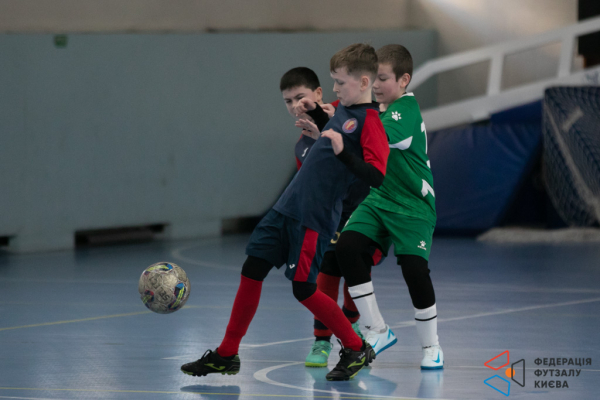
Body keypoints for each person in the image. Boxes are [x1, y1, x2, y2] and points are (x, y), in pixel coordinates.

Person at [181, 43, 389, 381]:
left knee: (303, 289)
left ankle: (355, 346)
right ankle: (227, 354)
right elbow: (333, 133)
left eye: (340, 82)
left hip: (314, 216)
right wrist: (317, 115)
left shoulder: (371, 122)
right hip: (286, 207)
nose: (335, 88)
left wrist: (343, 154)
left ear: (364, 82)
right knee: (252, 269)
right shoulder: (342, 110)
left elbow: (376, 176)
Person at [336, 44, 444, 369]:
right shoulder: (376, 109)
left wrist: (339, 125)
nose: (376, 85)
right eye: (373, 79)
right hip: (379, 199)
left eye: (383, 78)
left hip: (413, 205)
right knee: (347, 247)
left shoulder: (404, 110)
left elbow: (376, 137)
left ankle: (432, 347)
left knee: (414, 270)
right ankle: (376, 329)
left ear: (403, 80)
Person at [283, 68, 385, 368]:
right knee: (325, 272)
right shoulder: (302, 145)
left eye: (300, 97)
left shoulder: (350, 115)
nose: (295, 105)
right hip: (329, 214)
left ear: (318, 94)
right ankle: (322, 340)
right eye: (288, 101)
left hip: (362, 208)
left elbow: (364, 159)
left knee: (357, 270)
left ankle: (351, 325)